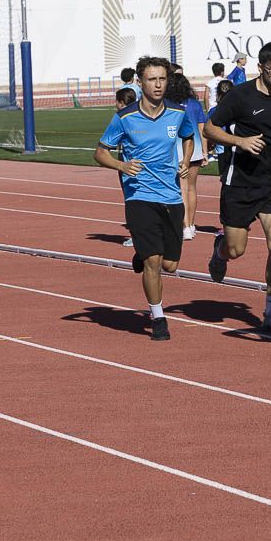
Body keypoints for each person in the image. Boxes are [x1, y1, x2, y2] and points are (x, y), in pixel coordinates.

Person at [94, 56, 195, 341]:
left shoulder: (178, 113)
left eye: (162, 79)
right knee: (153, 262)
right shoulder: (125, 118)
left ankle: (141, 251)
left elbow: (188, 136)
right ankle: (158, 317)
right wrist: (122, 165)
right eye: (152, 79)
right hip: (139, 195)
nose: (158, 84)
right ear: (140, 83)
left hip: (171, 196)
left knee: (169, 265)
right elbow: (100, 152)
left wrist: (186, 160)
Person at [202, 42, 271, 333]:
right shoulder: (240, 96)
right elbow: (209, 128)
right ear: (260, 68)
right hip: (241, 182)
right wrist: (240, 142)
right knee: (236, 249)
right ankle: (220, 251)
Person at [165, 73, 209, 241]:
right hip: (195, 148)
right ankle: (190, 224)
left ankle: (184, 226)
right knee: (191, 188)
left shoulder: (167, 104)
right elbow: (202, 128)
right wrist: (204, 151)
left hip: (177, 149)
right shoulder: (194, 104)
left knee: (181, 189)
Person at [114, 86, 138, 249]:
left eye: (116, 102)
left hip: (129, 163)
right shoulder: (142, 115)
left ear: (121, 103)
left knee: (131, 199)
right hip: (143, 162)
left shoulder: (122, 118)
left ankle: (136, 235)